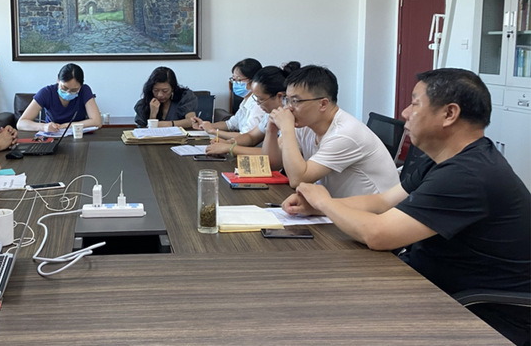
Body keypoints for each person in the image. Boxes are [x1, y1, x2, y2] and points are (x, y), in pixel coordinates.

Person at [281, 68, 530, 345]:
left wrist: (325, 202)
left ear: (449, 114)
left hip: (480, 312)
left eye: (415, 103)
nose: (404, 112)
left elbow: (379, 235)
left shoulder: (469, 174)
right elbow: (383, 201)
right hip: (431, 283)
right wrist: (318, 207)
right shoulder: (442, 159)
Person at [264, 65, 398, 197]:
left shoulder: (345, 134)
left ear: (323, 104)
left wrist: (286, 129)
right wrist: (271, 131)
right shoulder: (306, 124)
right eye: (287, 100)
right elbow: (270, 164)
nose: (288, 108)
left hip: (376, 209)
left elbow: (298, 179)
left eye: (295, 101)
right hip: (339, 205)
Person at [205, 62, 300, 157]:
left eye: (261, 99)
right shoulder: (271, 112)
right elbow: (251, 136)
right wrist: (229, 142)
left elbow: (275, 153)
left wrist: (230, 148)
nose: (257, 103)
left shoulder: (292, 118)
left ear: (279, 96)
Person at [192, 58, 265, 140]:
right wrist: (205, 125)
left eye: (238, 80)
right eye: (234, 79)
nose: (235, 83)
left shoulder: (258, 104)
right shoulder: (246, 100)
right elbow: (230, 124)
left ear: (253, 80)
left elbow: (246, 136)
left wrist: (213, 131)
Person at [16, 63, 102, 132]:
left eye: (74, 90)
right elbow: (21, 123)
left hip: (78, 136)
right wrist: (44, 127)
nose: (68, 93)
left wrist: (66, 126)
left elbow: (97, 122)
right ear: (58, 79)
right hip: (51, 137)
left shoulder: (84, 90)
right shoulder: (46, 93)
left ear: (81, 85)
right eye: (64, 88)